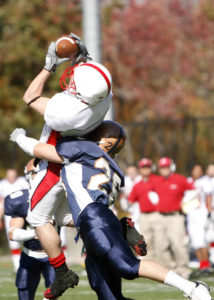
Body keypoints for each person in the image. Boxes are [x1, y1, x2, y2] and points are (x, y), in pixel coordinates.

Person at [10, 122, 213, 300]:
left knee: (129, 266)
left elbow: (38, 149)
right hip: (92, 224)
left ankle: (193, 288)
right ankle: (121, 227)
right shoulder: (113, 167)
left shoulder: (80, 148)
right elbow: (65, 215)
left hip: (94, 220)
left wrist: (19, 137)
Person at [20, 33, 113, 296]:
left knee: (37, 217)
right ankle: (119, 226)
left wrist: (49, 65)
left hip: (55, 163)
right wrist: (79, 57)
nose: (71, 83)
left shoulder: (65, 114)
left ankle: (61, 271)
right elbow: (86, 80)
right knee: (64, 217)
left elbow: (30, 96)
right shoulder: (102, 96)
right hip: (77, 164)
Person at [4, 159, 57, 300]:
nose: (38, 175)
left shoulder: (59, 195)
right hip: (30, 255)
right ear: (28, 175)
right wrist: (36, 233)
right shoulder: (21, 199)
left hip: (53, 256)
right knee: (24, 292)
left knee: (54, 292)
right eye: (35, 172)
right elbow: (13, 233)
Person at [152, 157, 194, 278]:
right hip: (160, 216)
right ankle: (168, 269)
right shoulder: (156, 181)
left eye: (166, 167)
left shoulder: (180, 179)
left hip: (176, 216)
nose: (164, 170)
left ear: (171, 167)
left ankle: (183, 269)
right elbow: (149, 192)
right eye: (162, 167)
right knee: (161, 244)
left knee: (177, 244)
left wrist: (186, 204)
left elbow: (193, 191)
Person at [186, 165, 214, 278]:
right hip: (190, 213)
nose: (197, 172)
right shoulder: (187, 181)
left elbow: (208, 197)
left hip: (201, 213)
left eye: (199, 170)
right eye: (195, 170)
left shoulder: (205, 182)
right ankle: (202, 265)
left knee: (203, 239)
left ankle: (207, 265)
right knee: (194, 241)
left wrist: (209, 211)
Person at [128, 158, 159, 260]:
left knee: (160, 240)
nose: (145, 170)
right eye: (143, 168)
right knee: (147, 241)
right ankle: (151, 264)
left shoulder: (158, 181)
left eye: (147, 167)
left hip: (158, 214)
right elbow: (131, 200)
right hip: (144, 215)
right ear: (140, 169)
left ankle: (162, 263)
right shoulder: (137, 185)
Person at [0, 168, 28, 272]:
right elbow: (1, 203)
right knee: (13, 240)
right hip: (9, 214)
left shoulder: (22, 181)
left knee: (28, 238)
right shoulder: (2, 184)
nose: (11, 177)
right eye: (9, 175)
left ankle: (29, 263)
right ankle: (17, 266)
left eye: (13, 175)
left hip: (24, 213)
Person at [119, 164, 142, 228]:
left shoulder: (140, 179)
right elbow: (122, 193)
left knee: (138, 222)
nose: (131, 173)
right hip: (128, 203)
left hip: (138, 203)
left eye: (133, 171)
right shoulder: (125, 180)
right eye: (129, 172)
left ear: (137, 171)